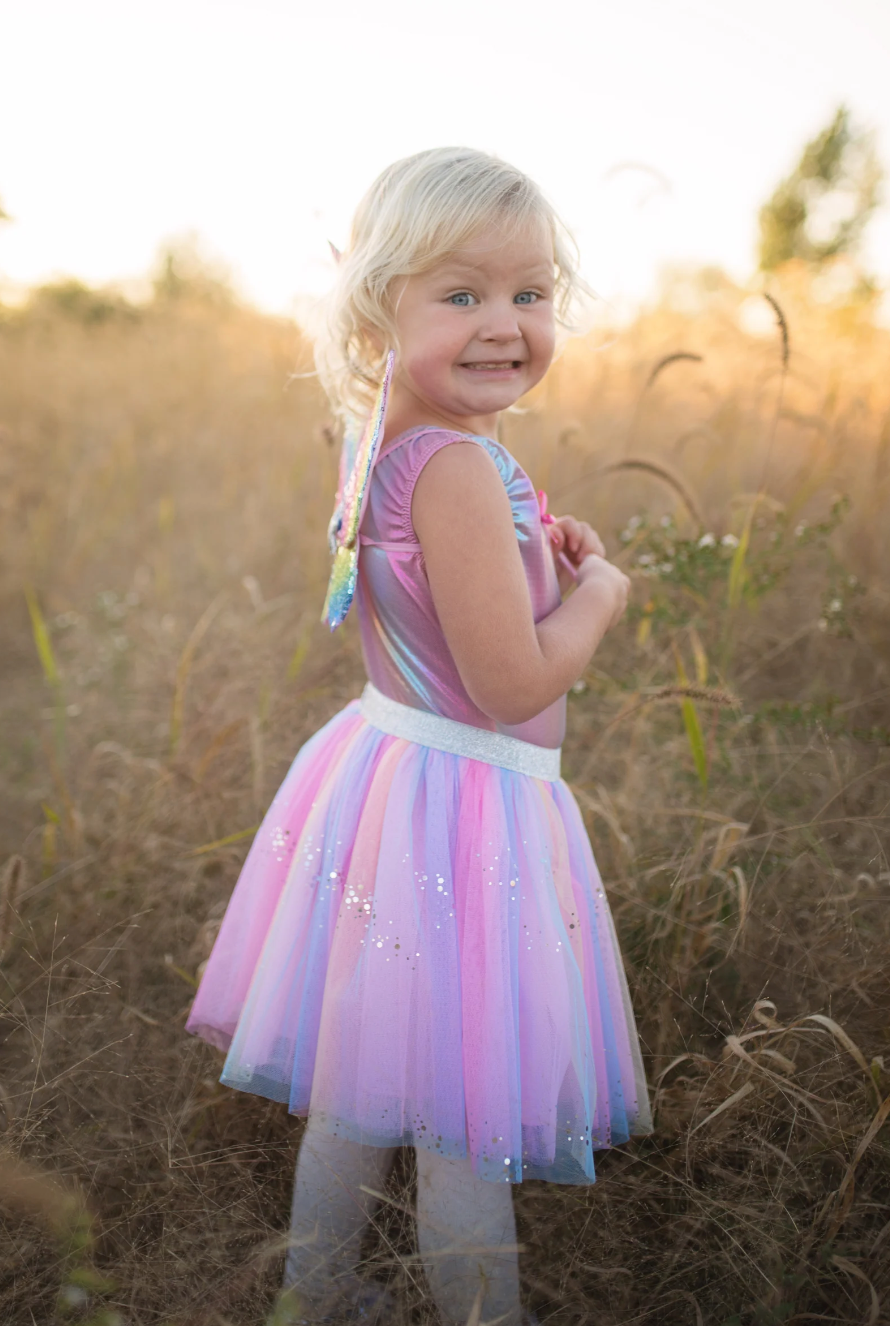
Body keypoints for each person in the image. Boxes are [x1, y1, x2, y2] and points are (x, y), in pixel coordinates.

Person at [186, 147, 652, 1326]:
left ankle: (319, 1290)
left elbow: (422, 592)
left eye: (529, 294)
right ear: (377, 303)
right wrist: (597, 600)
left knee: (364, 1079)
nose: (504, 325)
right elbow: (505, 682)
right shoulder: (453, 463)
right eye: (461, 295)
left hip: (392, 777)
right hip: (465, 803)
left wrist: (532, 558)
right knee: (462, 1110)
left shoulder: (388, 430)